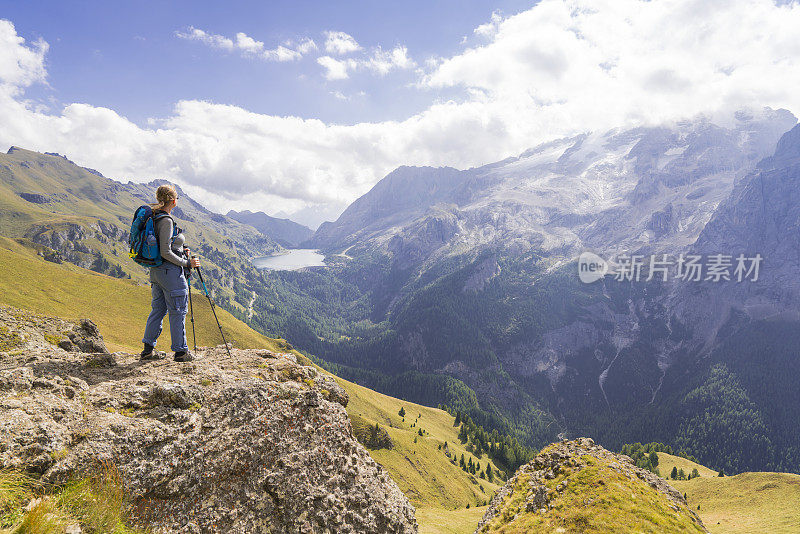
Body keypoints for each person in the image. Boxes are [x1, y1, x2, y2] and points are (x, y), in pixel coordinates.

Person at [140, 184, 201, 362]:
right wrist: (186, 263)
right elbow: (165, 252)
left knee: (157, 310)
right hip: (171, 274)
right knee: (178, 311)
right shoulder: (166, 220)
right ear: (173, 201)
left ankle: (148, 351)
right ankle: (181, 352)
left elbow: (165, 247)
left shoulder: (155, 216)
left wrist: (181, 249)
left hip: (157, 273)